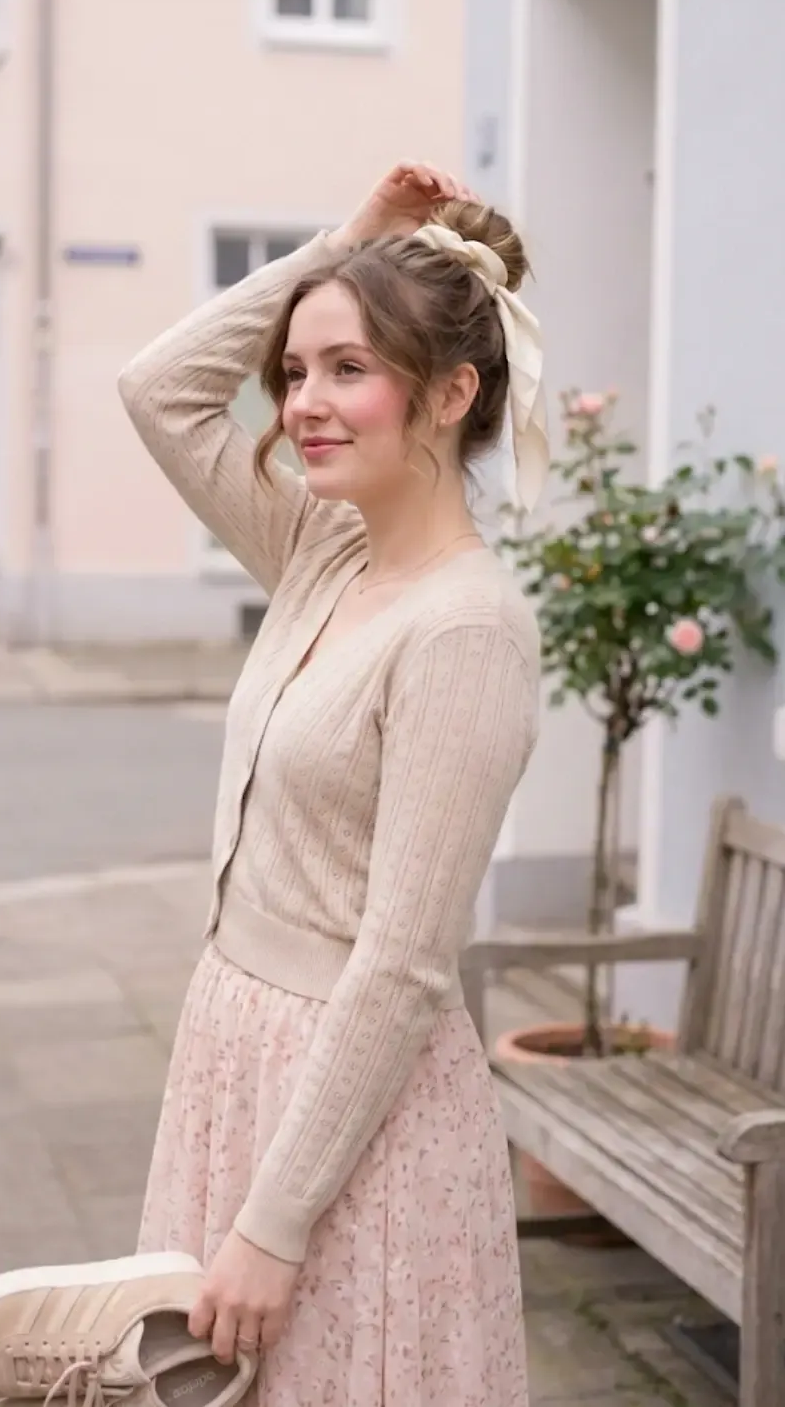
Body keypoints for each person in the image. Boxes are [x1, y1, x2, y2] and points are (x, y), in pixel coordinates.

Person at [117, 161, 547, 1407]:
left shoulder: (464, 634)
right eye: (297, 372)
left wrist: (275, 1223)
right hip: (232, 1055)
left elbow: (406, 964)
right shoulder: (320, 547)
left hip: (350, 1122)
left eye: (348, 370)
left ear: (453, 392)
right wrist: (346, 247)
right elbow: (159, 392)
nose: (303, 402)